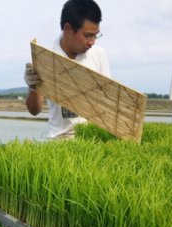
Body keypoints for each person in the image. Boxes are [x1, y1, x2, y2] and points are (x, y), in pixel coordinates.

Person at [24, 0, 111, 139]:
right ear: (68, 29)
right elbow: (34, 110)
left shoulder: (98, 54)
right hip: (60, 140)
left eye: (96, 35)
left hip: (93, 139)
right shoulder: (46, 59)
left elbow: (107, 102)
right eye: (88, 35)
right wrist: (33, 87)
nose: (92, 42)